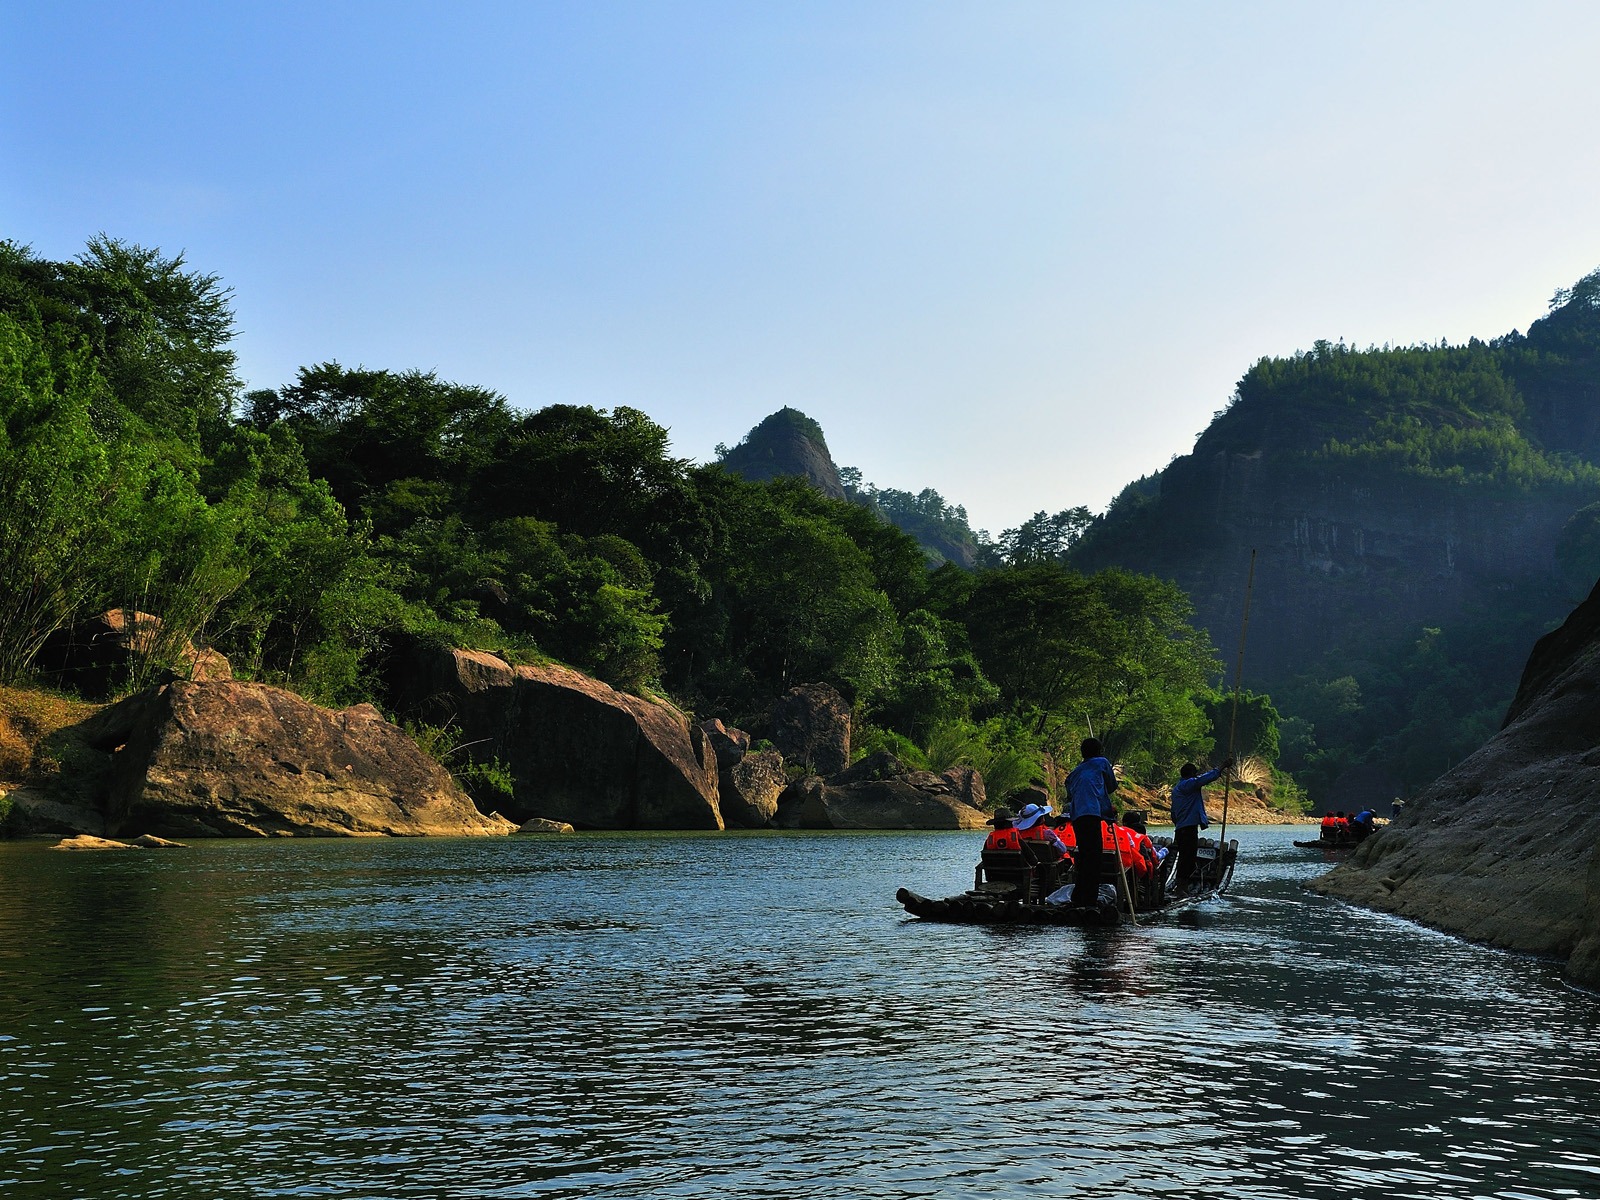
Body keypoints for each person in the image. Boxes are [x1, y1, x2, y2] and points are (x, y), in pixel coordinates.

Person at [1065, 737, 1117, 907]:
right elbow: (1111, 786)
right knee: (1094, 858)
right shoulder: (1102, 762)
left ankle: (1078, 897)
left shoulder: (1075, 772)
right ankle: (1089, 899)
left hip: (1077, 816)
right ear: (1099, 751)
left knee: (1085, 857)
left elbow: (1070, 791)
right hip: (1090, 813)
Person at [1169, 757, 1233, 894]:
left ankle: (1182, 886)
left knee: (1186, 858)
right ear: (1191, 774)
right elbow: (1204, 779)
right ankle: (1181, 887)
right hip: (1186, 829)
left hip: (1181, 828)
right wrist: (1222, 766)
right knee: (1188, 859)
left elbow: (1173, 813)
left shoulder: (1177, 789)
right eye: (1195, 774)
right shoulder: (1187, 785)